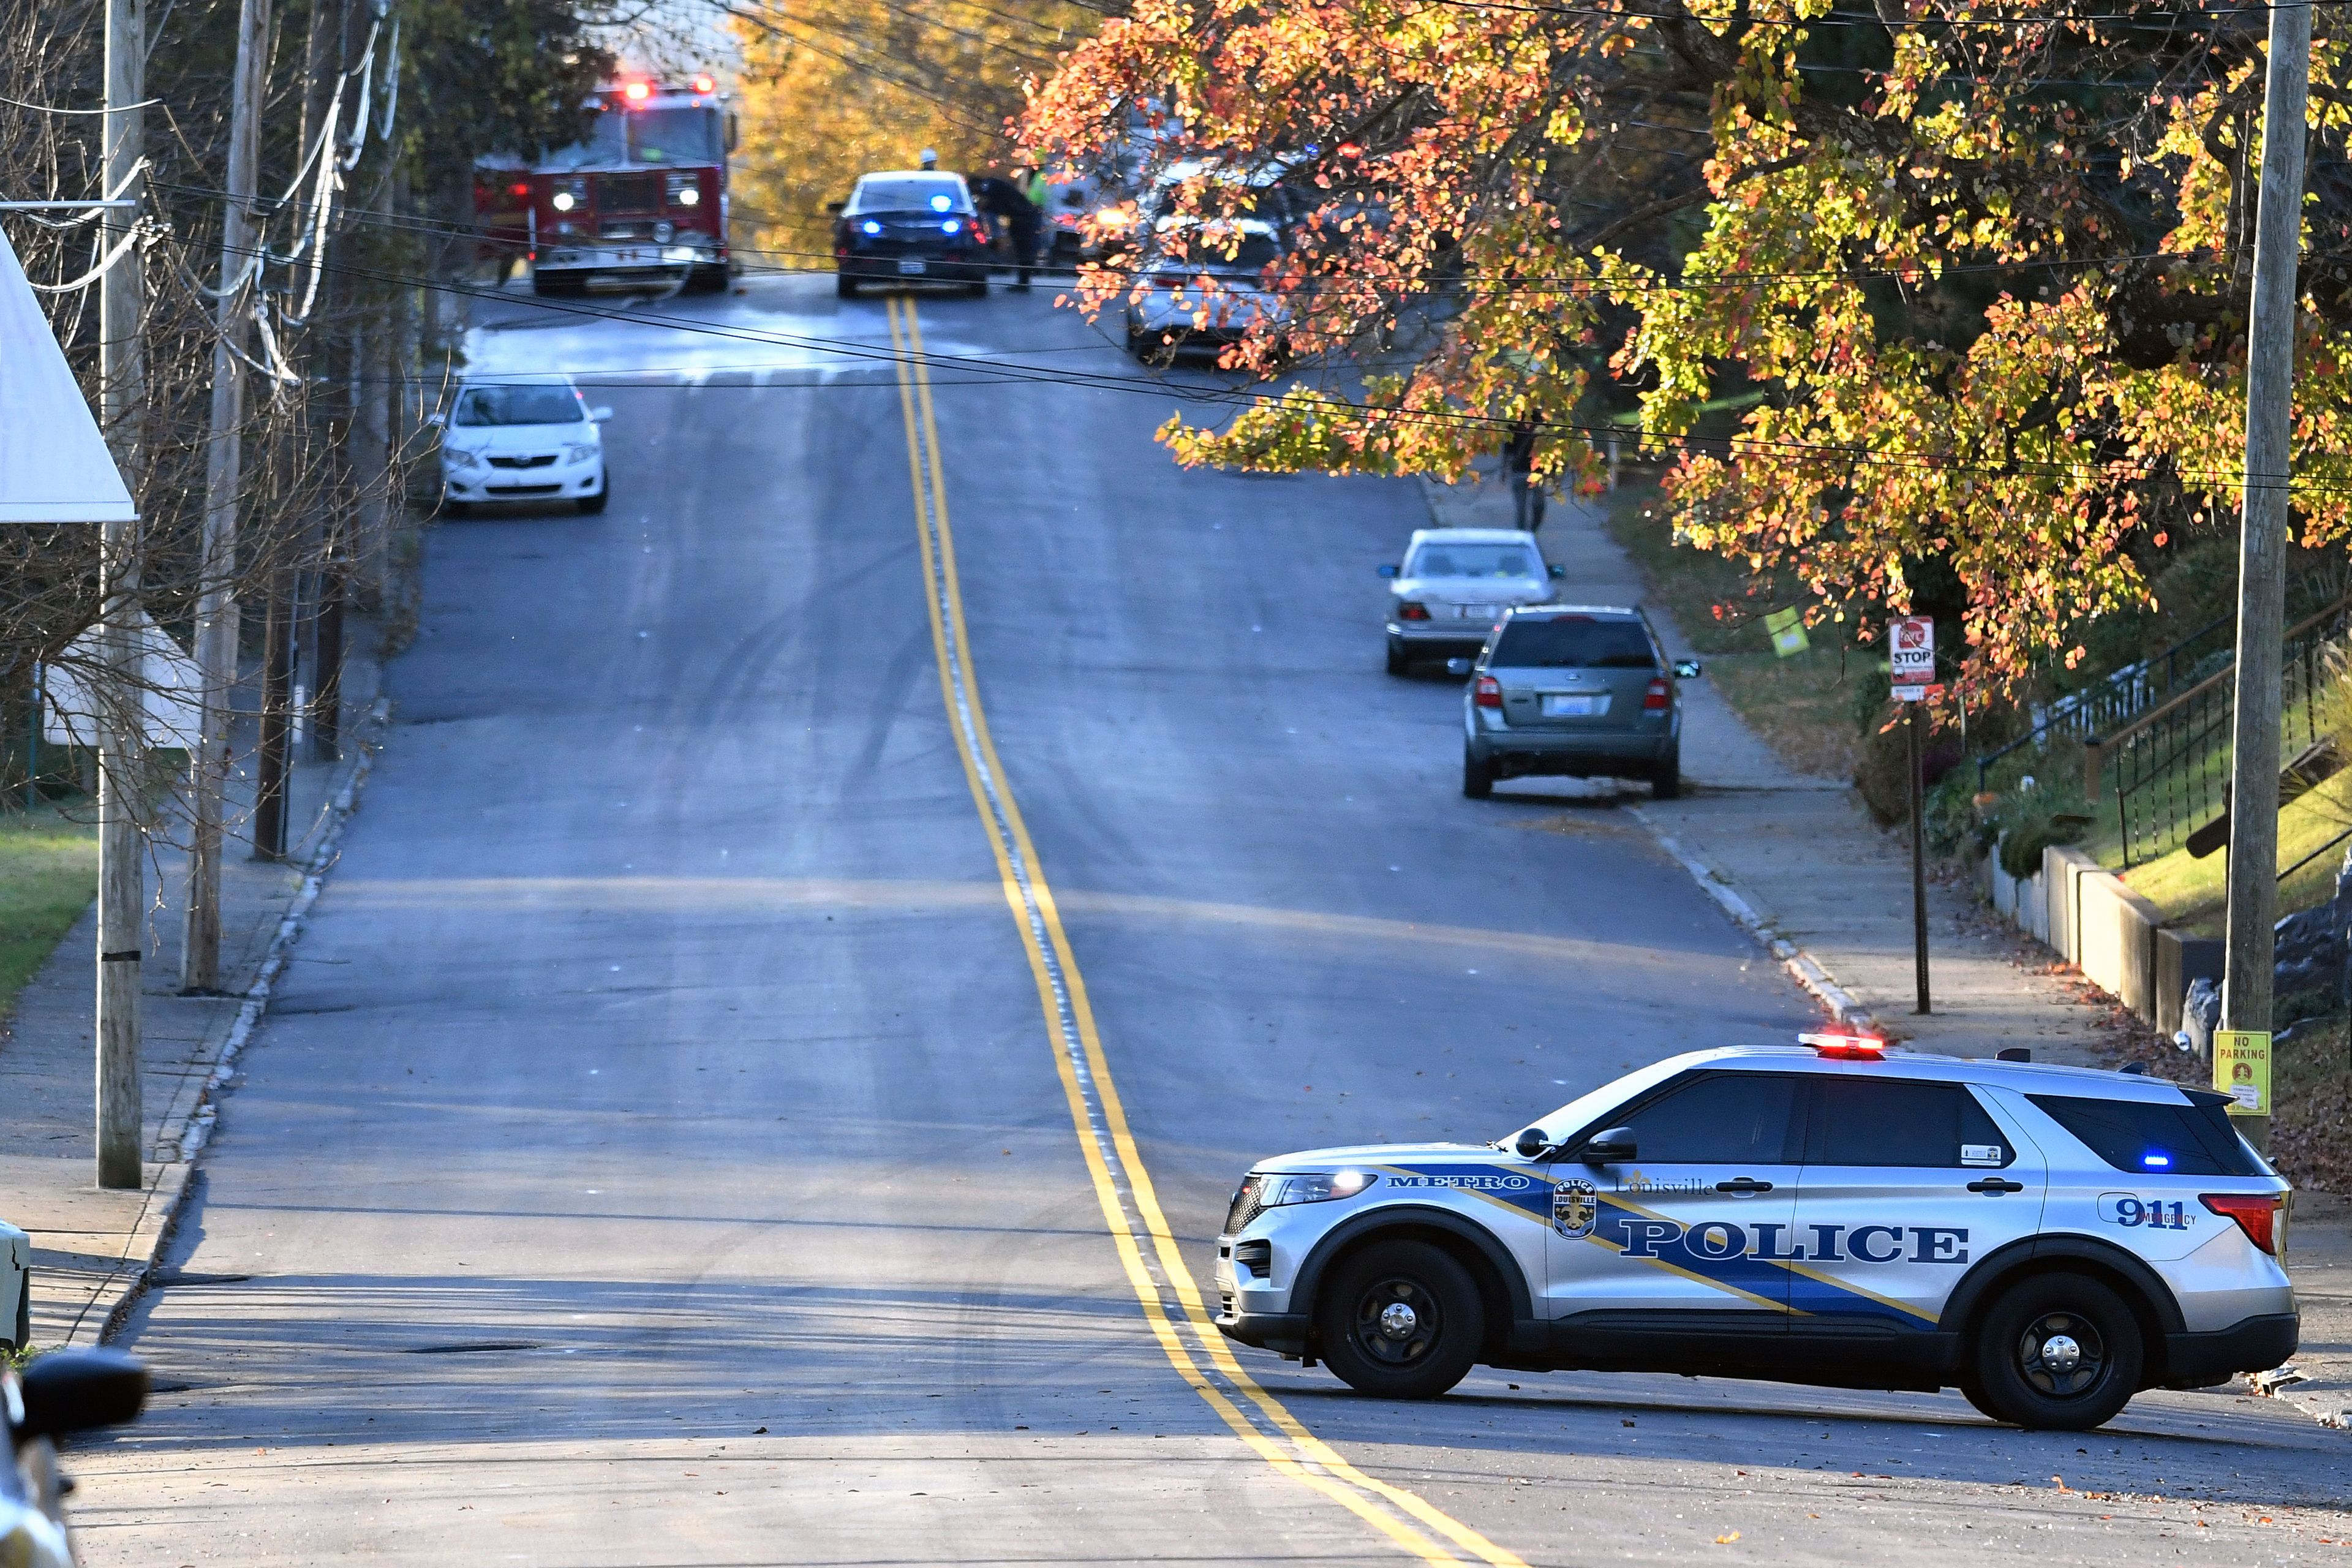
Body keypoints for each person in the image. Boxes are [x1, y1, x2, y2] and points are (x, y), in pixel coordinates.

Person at [1007, 165, 1049, 291]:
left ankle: (1024, 282)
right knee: (1029, 248)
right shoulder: (1040, 176)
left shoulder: (1041, 177)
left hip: (1032, 213)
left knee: (1027, 248)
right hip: (1033, 212)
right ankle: (1024, 281)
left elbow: (1036, 197)